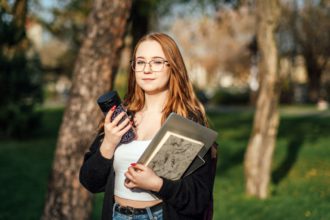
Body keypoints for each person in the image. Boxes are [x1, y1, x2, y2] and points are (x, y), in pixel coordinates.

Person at [79, 32, 217, 220]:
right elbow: (90, 182)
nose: (147, 69)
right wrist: (108, 144)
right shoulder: (121, 117)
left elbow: (198, 199)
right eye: (141, 62)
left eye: (157, 62)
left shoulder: (188, 124)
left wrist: (157, 184)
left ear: (173, 67)